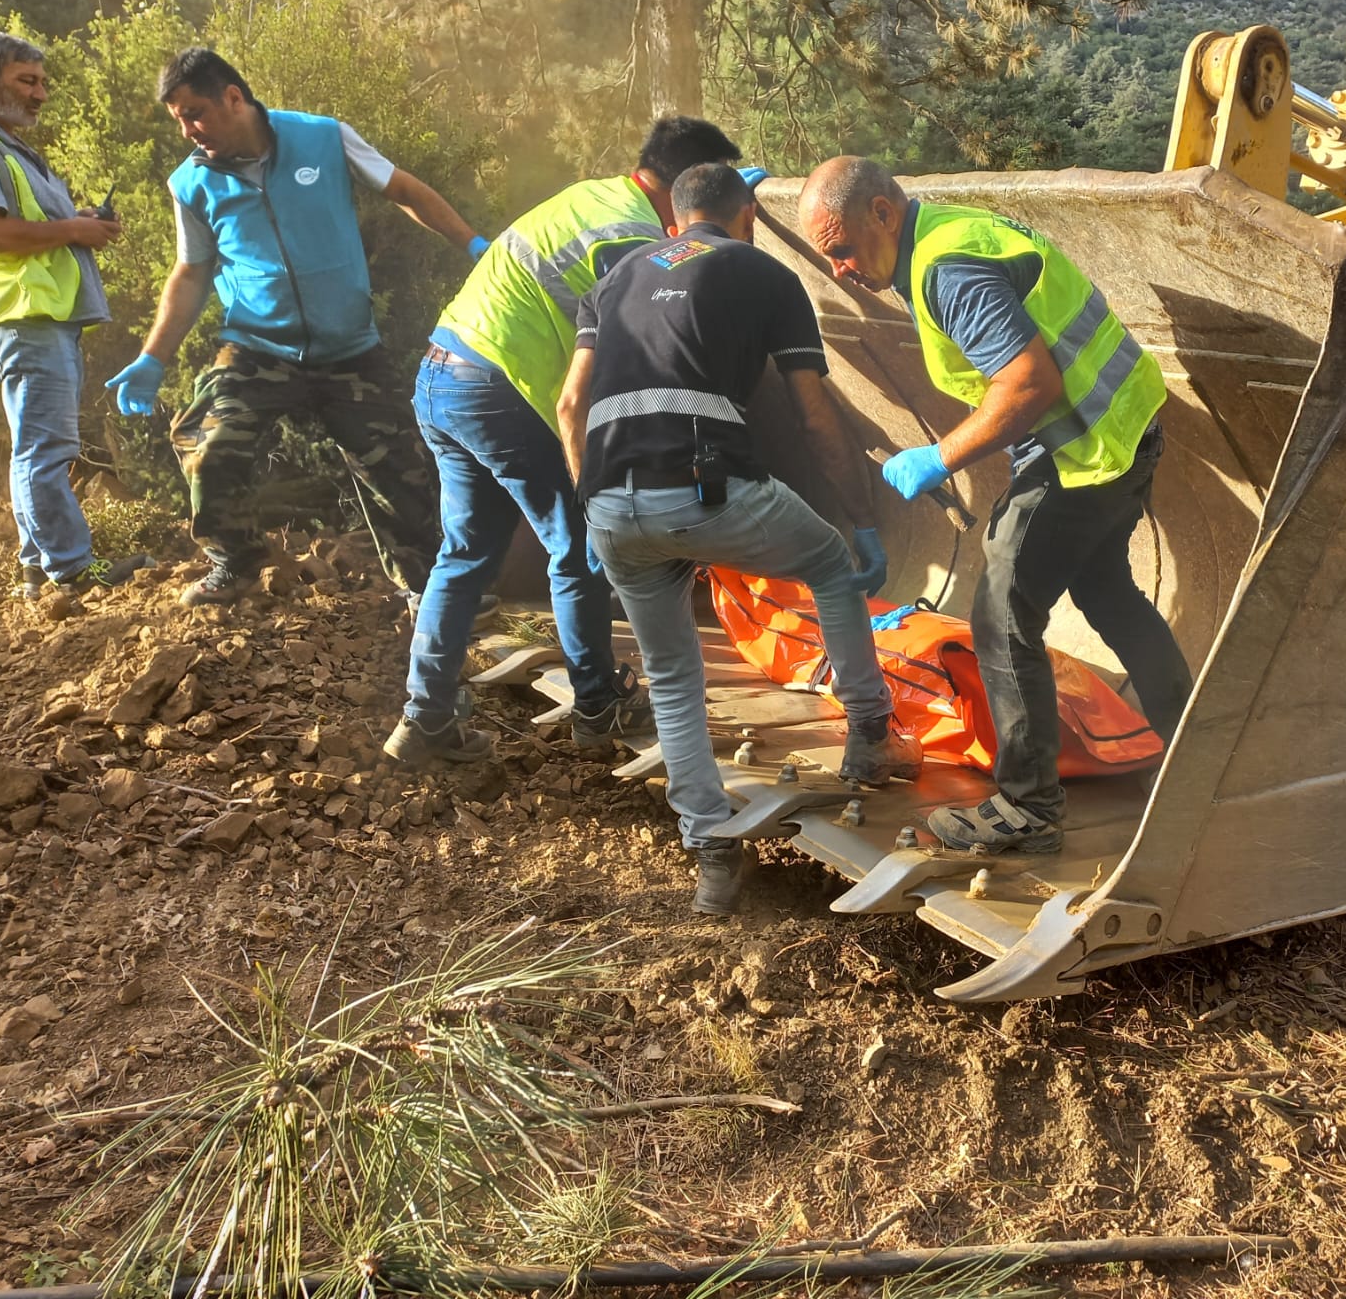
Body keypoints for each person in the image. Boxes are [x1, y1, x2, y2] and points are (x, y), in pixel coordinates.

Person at [796, 157, 1192, 854]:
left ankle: (1027, 809)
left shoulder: (947, 270)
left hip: (1083, 450)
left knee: (1002, 609)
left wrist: (939, 457)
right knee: (1108, 594)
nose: (840, 271)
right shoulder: (950, 233)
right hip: (1128, 426)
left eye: (844, 249)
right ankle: (1195, 756)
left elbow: (1027, 385)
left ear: (883, 214)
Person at [557, 163, 918, 914]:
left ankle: (711, 853)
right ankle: (869, 735)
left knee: (674, 675)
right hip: (706, 490)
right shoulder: (763, 273)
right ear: (746, 214)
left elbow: (569, 406)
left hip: (613, 509)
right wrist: (859, 521)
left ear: (674, 222)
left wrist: (594, 506)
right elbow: (815, 417)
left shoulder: (618, 276)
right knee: (829, 562)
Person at [383, 116, 740, 768]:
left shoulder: (591, 197)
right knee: (576, 544)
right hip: (499, 387)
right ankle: (598, 703)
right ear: (687, 187)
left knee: (465, 552)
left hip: (441, 374)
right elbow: (644, 363)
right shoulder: (633, 238)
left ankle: (423, 718)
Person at [105, 48, 485, 608]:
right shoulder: (192, 183)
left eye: (196, 113)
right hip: (258, 347)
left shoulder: (323, 137)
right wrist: (153, 357)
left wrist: (473, 245)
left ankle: (432, 588)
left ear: (234, 97)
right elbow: (191, 273)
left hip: (349, 349)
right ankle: (234, 564)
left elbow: (403, 189)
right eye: (179, 120)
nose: (188, 131)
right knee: (207, 445)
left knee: (403, 472)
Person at [0, 29, 145, 598]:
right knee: (46, 451)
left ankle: (35, 566)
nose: (41, 93)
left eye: (42, 81)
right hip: (20, 318)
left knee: (36, 446)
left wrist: (80, 222)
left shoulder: (3, 143)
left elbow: (26, 228)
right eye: (27, 81)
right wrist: (74, 228)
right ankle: (71, 568)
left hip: (41, 318)